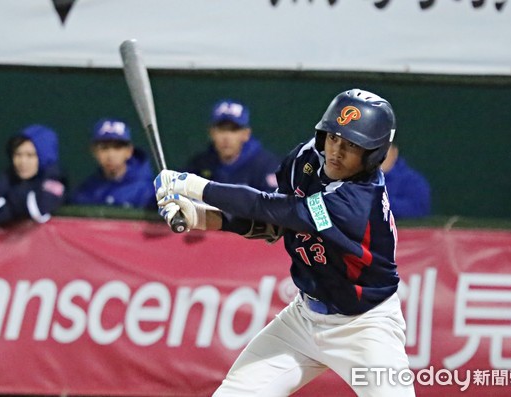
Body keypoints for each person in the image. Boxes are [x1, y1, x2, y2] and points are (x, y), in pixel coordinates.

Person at [155, 89, 415, 396]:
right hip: (304, 318)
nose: (336, 151)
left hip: (365, 325)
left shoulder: (356, 203)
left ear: (372, 155)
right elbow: (274, 224)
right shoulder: (307, 158)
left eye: (351, 146)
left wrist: (193, 185)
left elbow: (269, 207)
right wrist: (201, 217)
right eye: (333, 138)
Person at [186, 99, 280, 192]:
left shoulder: (265, 166)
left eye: (233, 130)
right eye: (221, 129)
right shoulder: (200, 164)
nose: (226, 137)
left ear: (246, 134)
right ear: (211, 133)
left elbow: (276, 203)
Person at [0, 124, 66, 227]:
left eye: (30, 155)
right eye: (18, 154)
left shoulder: (55, 176)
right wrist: (24, 201)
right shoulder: (7, 176)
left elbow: (39, 210)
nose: (22, 162)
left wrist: (10, 200)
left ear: (44, 157)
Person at [70, 118, 156, 209]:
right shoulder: (86, 191)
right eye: (104, 148)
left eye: (117, 147)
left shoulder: (149, 190)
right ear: (94, 151)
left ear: (129, 151)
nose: (111, 155)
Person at [380, 143, 431, 219]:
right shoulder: (359, 179)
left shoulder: (413, 181)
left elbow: (418, 210)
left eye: (383, 151)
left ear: (395, 152)